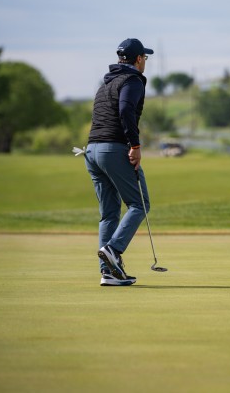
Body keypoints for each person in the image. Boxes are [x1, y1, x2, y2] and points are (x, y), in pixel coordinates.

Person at [84, 38, 153, 286]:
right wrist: (135, 146)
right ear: (138, 59)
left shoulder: (106, 83)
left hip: (91, 152)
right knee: (139, 204)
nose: (145, 62)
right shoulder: (133, 80)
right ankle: (113, 250)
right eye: (145, 57)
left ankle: (109, 272)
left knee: (109, 214)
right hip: (113, 150)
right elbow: (125, 110)